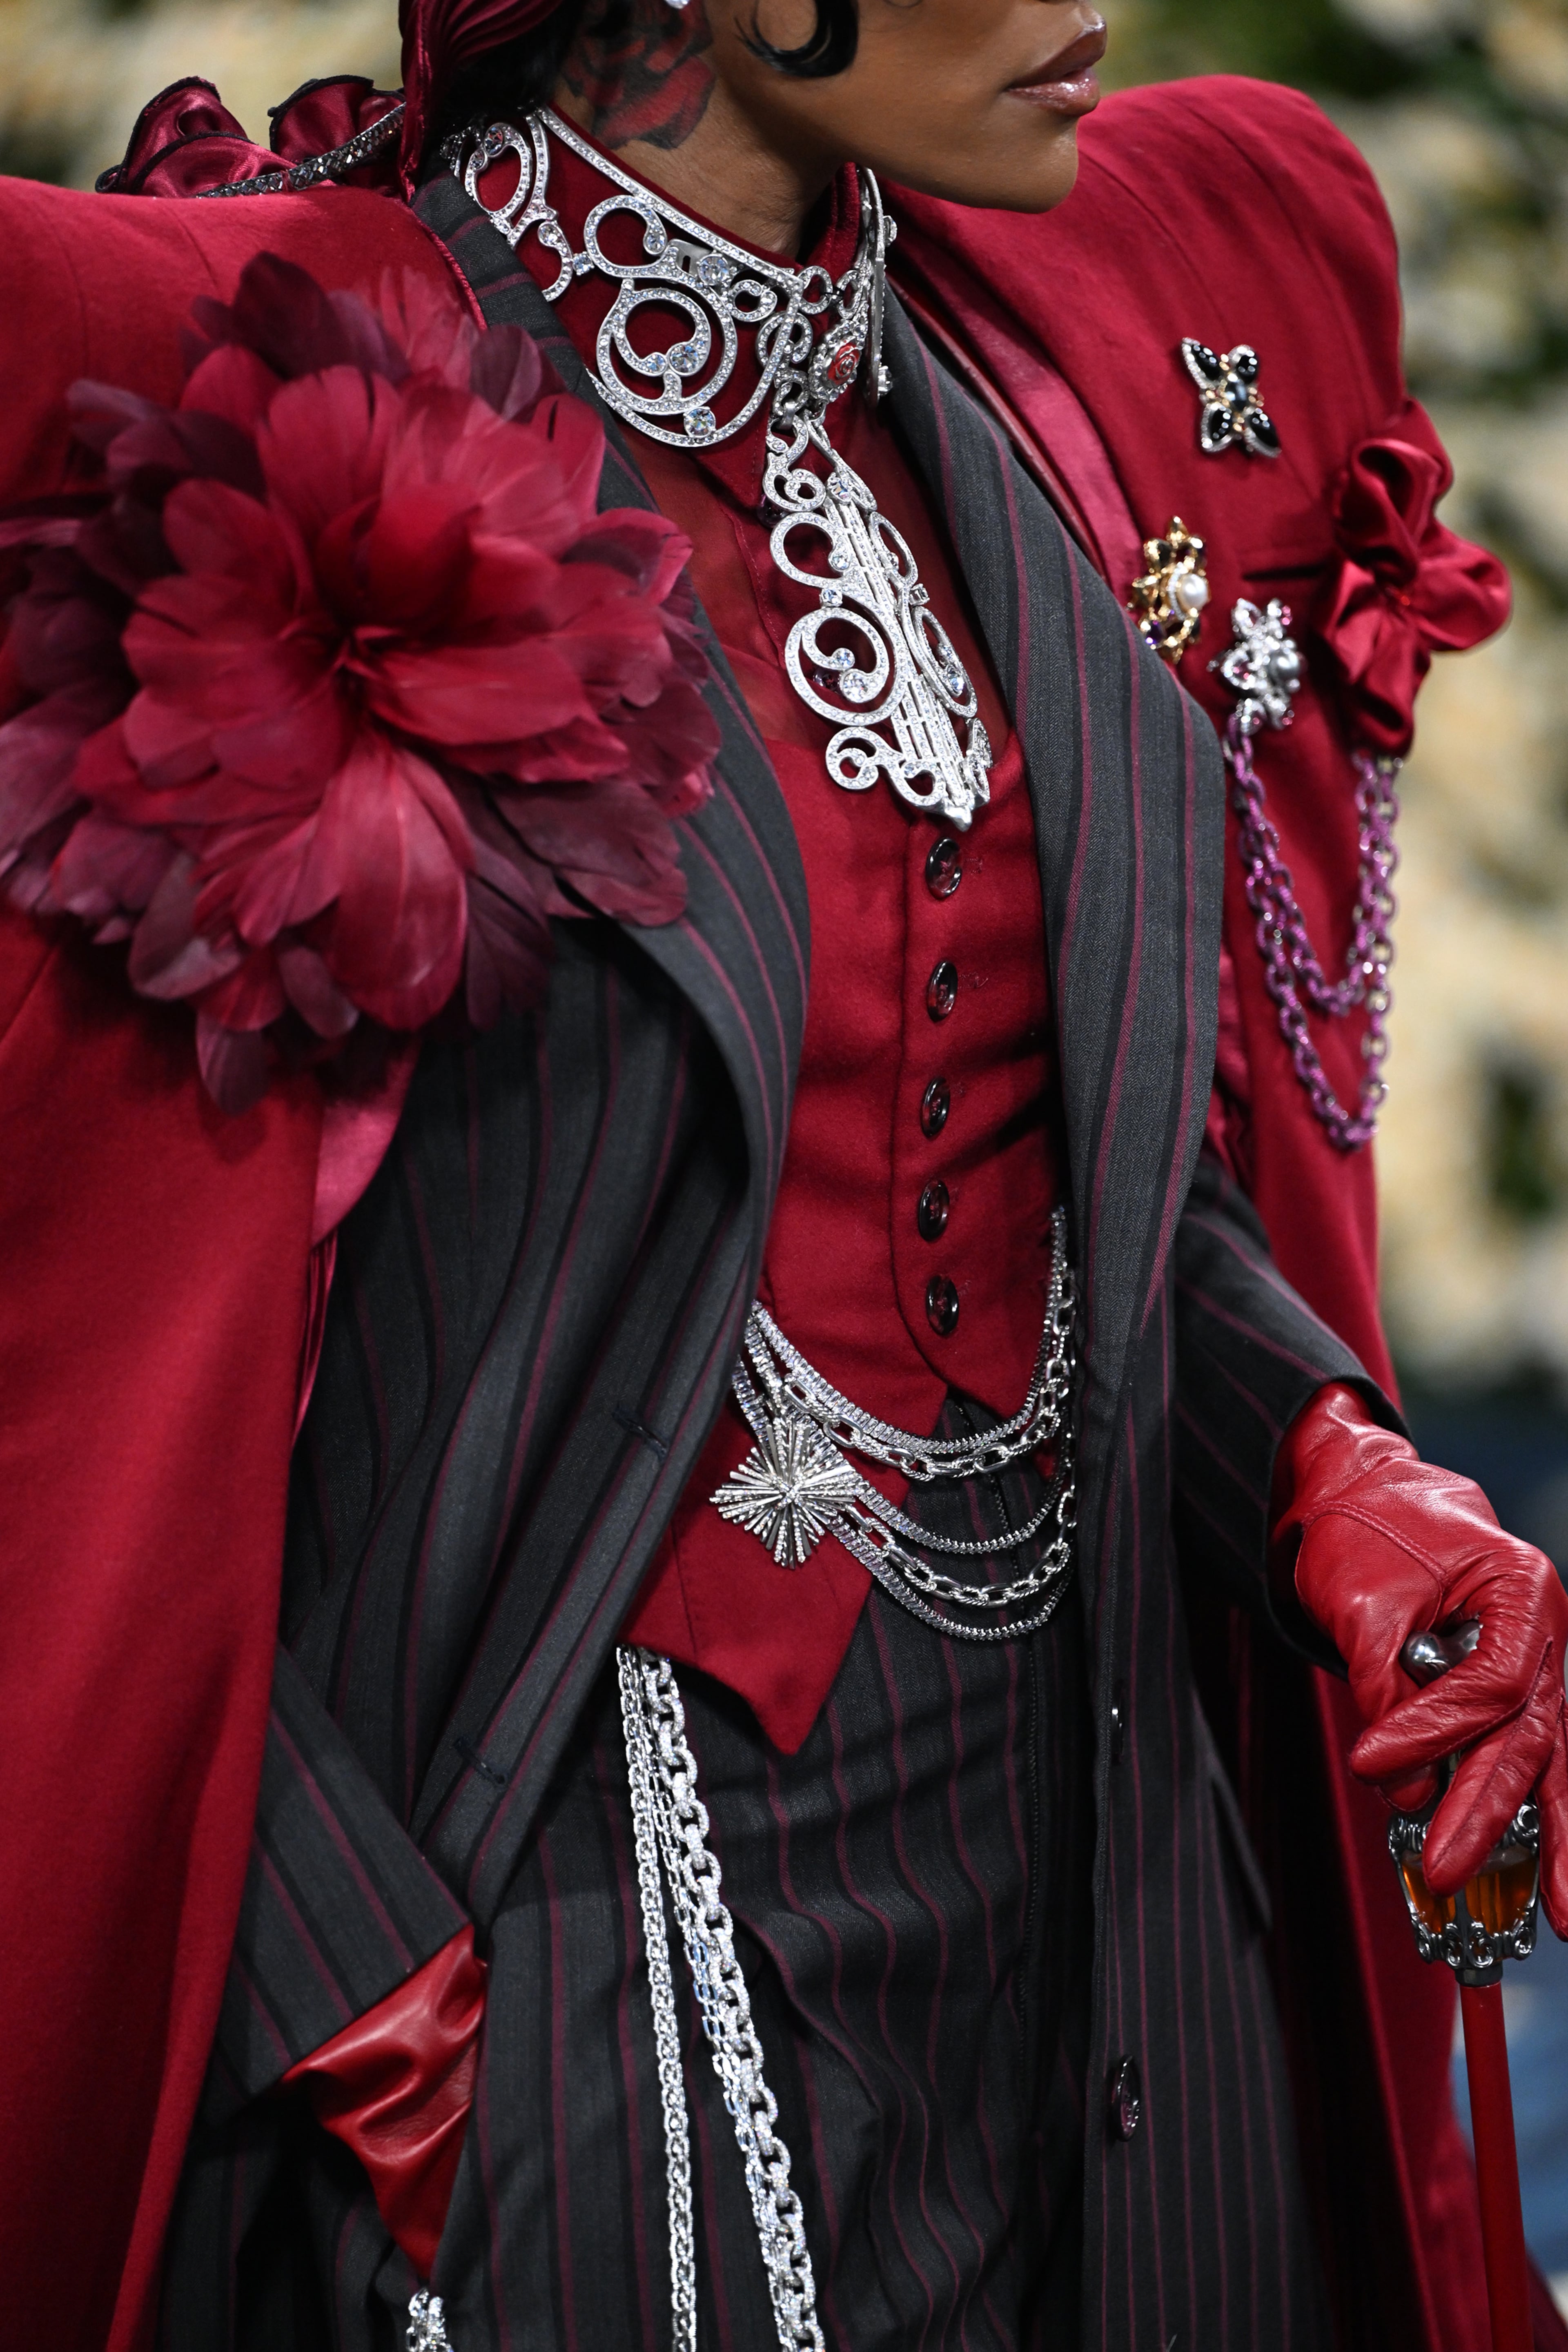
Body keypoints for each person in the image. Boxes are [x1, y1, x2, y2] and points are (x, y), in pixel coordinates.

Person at [0, 0, 1564, 2346]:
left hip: (1107, 1917)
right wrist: (318, 1951)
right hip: (566, 1984)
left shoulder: (1020, 403)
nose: (1085, 5)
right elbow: (104, 1316)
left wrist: (1325, 1460)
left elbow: (1096, 1152)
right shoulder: (308, 416)